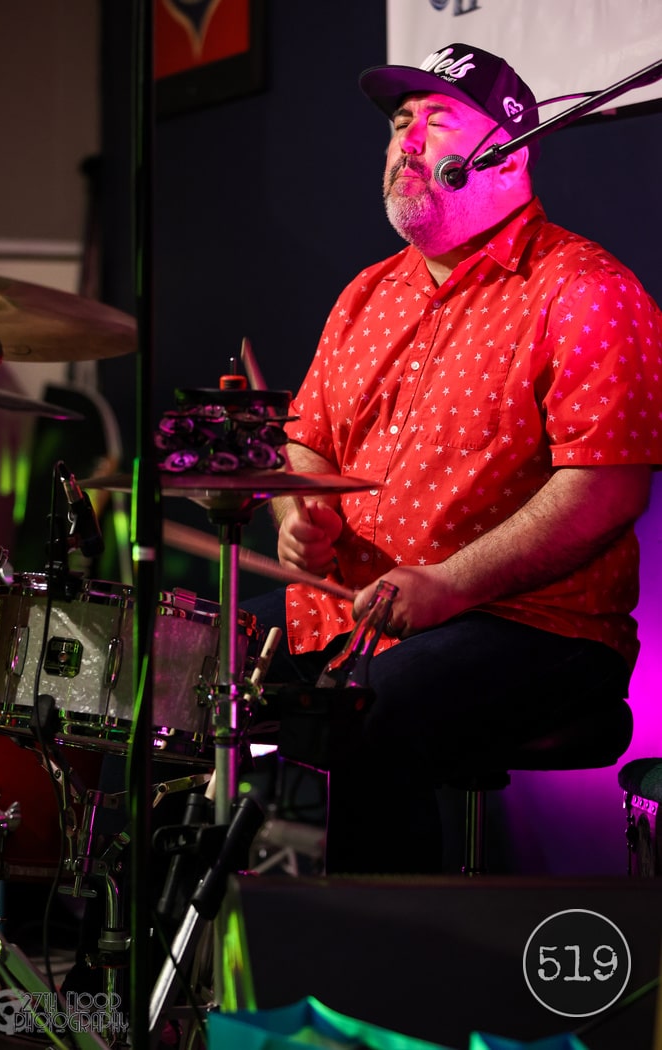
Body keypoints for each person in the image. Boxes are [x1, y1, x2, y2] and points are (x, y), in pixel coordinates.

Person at [244, 42, 662, 875]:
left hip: (533, 625)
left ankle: (383, 948)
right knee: (181, 661)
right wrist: (301, 513)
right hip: (357, 610)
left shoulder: (584, 288)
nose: (406, 140)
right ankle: (167, 926)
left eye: (436, 121)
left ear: (507, 153)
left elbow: (608, 489)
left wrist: (452, 583)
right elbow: (306, 438)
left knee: (374, 705)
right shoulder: (367, 293)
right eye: (399, 122)